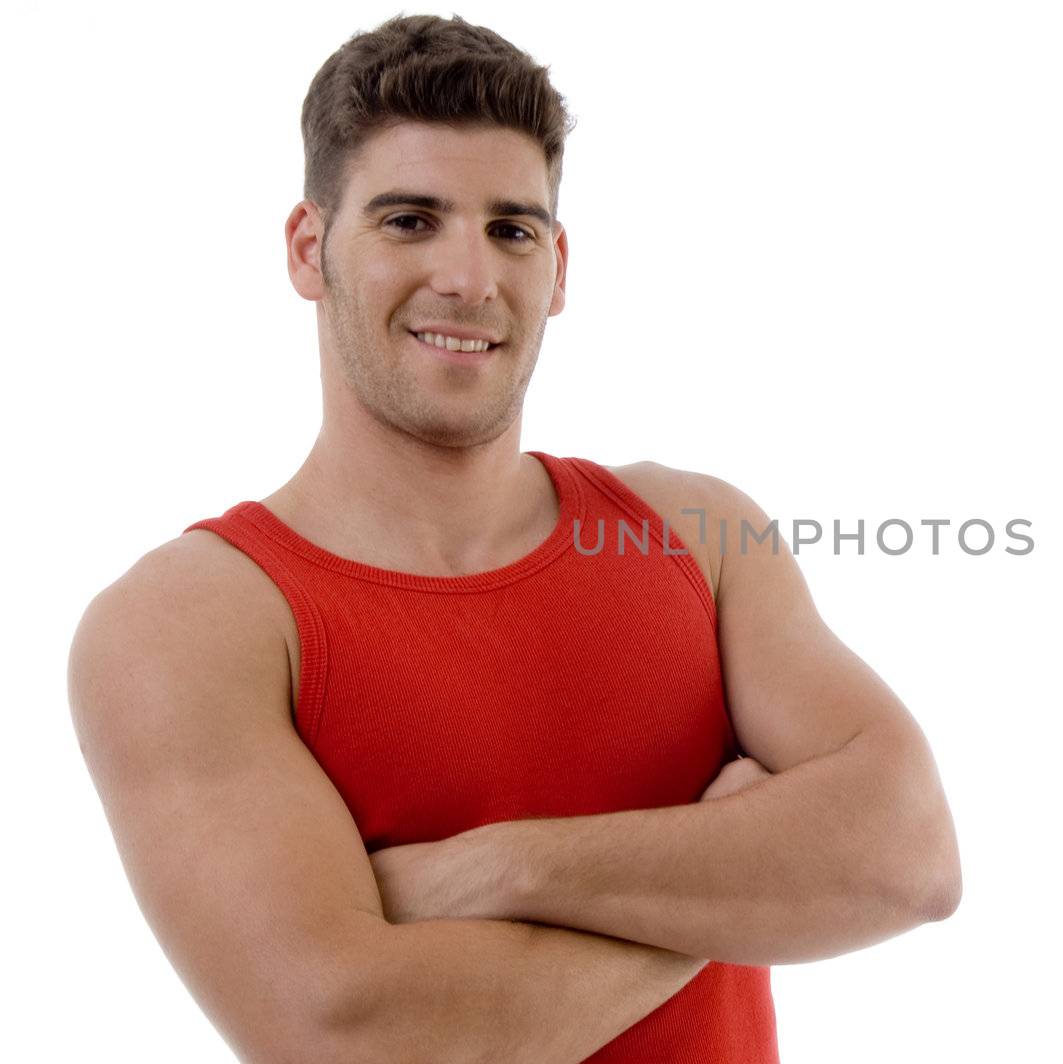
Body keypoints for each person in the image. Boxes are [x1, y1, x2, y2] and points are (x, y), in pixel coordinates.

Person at [66, 12, 960, 1064]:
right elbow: (352, 1037)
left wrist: (499, 867)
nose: (469, 278)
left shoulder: (694, 533)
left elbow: (909, 857)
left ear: (560, 265)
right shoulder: (192, 620)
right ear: (310, 249)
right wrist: (736, 890)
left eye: (511, 228)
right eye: (409, 220)